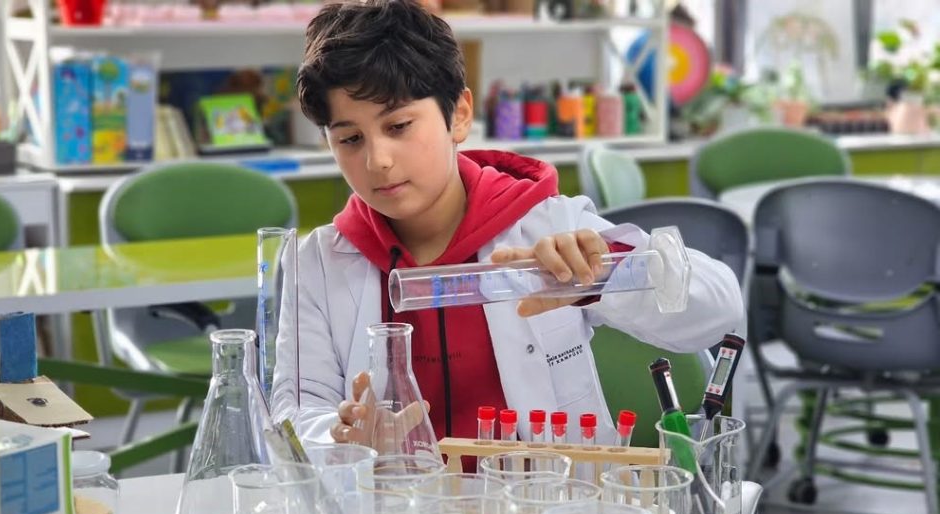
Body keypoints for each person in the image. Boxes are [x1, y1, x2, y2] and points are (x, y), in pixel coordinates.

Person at [274, 0, 744, 449]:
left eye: (398, 126)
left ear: (459, 115)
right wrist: (340, 435)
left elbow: (719, 310)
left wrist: (607, 275)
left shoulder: (545, 225)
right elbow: (295, 412)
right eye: (350, 139)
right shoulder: (317, 264)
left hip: (538, 496)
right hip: (392, 501)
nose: (377, 160)